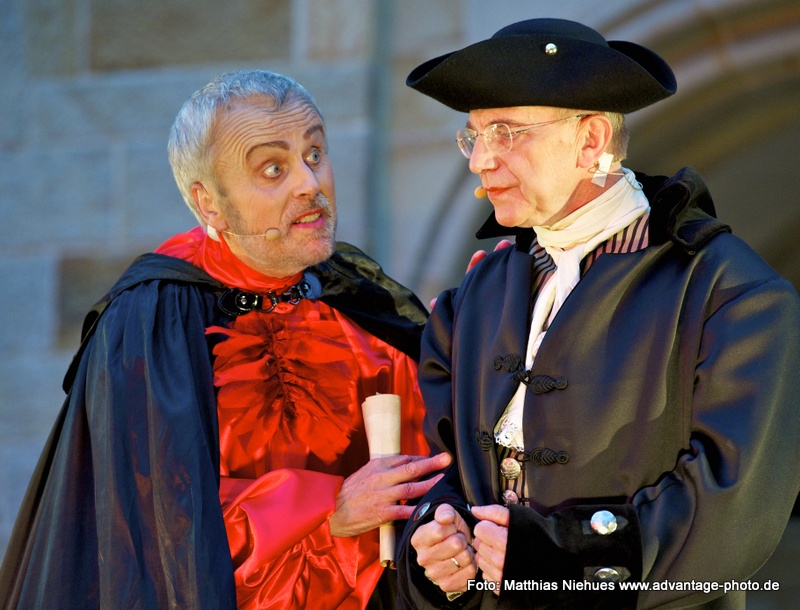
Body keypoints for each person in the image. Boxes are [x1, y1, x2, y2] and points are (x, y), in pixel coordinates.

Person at [0, 70, 452, 610]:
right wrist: (328, 509)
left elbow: (442, 449)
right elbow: (156, 525)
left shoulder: (354, 293)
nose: (310, 183)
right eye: (272, 168)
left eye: (314, 154)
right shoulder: (153, 320)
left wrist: (479, 335)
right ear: (208, 203)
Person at [396, 17, 800, 609]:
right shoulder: (475, 296)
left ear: (590, 141)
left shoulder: (730, 292)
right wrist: (439, 541)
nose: (480, 160)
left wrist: (556, 558)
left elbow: (732, 508)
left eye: (505, 133)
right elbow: (444, 469)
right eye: (474, 136)